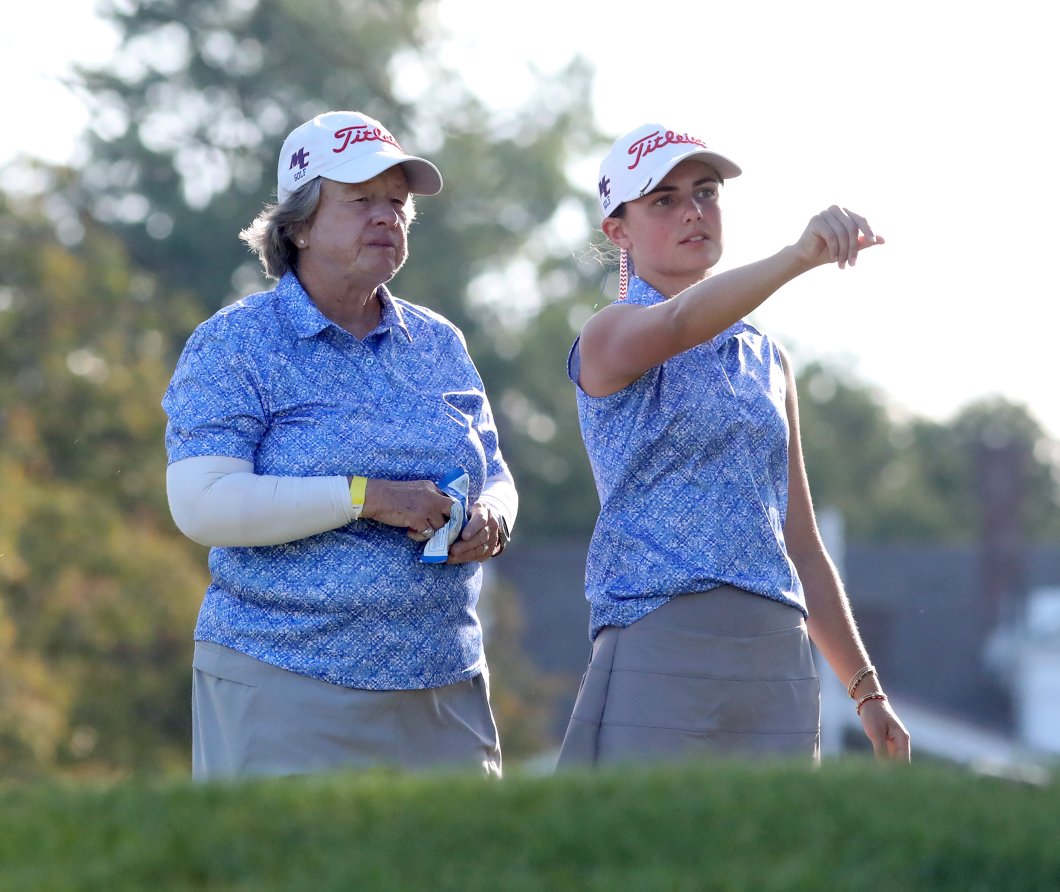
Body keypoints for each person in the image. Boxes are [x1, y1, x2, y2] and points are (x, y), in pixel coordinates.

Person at [162, 110, 516, 780]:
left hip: (444, 685)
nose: (387, 217)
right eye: (360, 201)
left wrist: (495, 517)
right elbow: (202, 505)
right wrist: (366, 497)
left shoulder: (440, 341)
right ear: (296, 225)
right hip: (285, 683)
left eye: (398, 203)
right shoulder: (234, 343)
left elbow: (494, 471)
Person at [557, 123, 910, 767]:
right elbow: (679, 322)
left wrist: (866, 691)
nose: (693, 211)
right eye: (662, 200)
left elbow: (798, 540)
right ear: (619, 232)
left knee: (770, 861)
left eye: (706, 192)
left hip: (776, 654)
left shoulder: (766, 358)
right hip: (661, 640)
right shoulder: (608, 334)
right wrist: (798, 256)